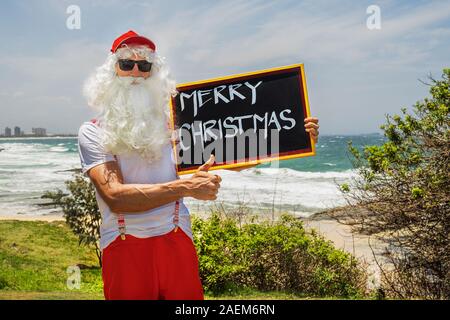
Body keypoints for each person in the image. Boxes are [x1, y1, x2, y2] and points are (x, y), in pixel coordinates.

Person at [77, 30, 320, 300]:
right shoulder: (93, 132)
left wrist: (293, 135)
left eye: (144, 65)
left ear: (153, 73)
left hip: (177, 238)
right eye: (126, 64)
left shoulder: (176, 123)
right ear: (112, 71)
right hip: (123, 246)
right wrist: (186, 188)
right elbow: (116, 198)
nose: (135, 72)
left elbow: (231, 154)